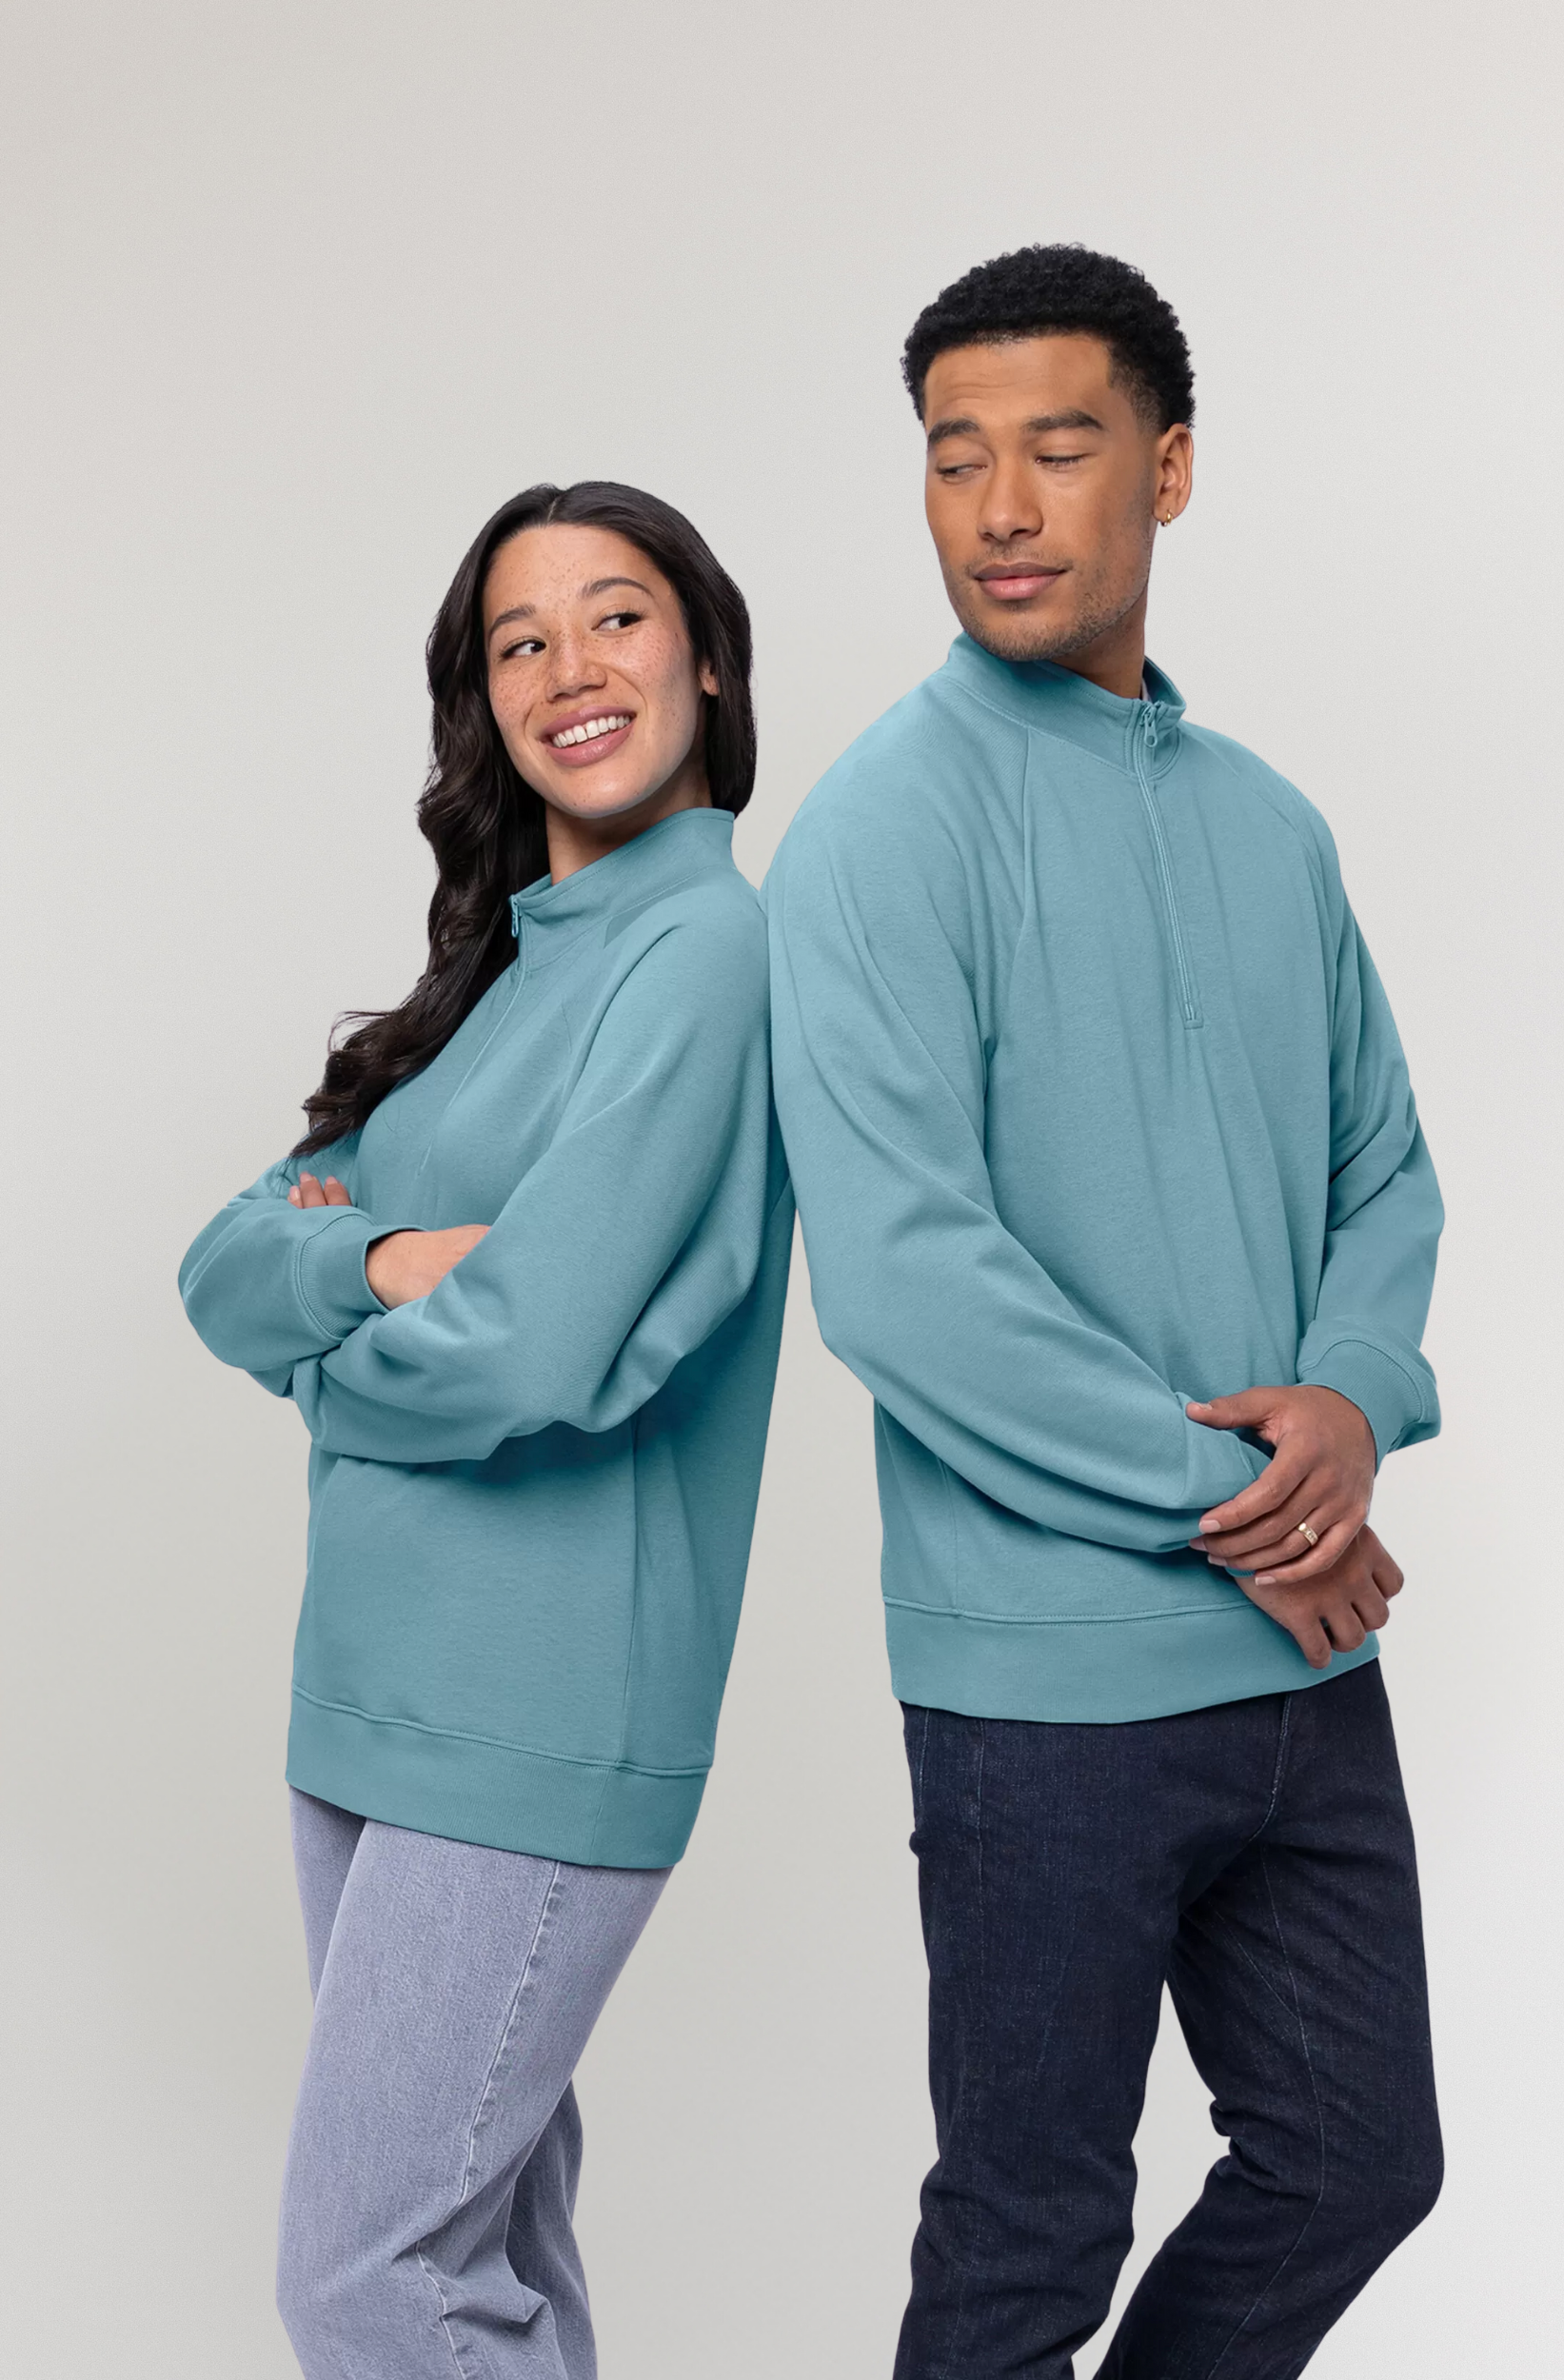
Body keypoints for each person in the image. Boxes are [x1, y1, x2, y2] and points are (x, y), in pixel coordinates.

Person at [765, 246, 1444, 2378]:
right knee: (1028, 2240)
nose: (1000, 508)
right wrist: (1243, 1502)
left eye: (1057, 450)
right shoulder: (881, 828)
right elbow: (906, 1275)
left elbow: (1380, 1167)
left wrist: (1351, 1401)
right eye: (953, 457)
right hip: (1042, 1681)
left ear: (1167, 468)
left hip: (1299, 1650)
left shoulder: (1271, 824)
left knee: (1356, 2156)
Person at [180, 481, 792, 2380]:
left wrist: (326, 1365)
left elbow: (532, 1350)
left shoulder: (706, 955)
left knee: (369, 2279)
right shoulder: (491, 977)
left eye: (615, 617)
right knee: (482, 2255)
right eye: (521, 641)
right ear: (483, 700)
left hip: (536, 1711)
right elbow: (224, 1261)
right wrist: (375, 1268)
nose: (568, 669)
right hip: (364, 1696)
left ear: (706, 656)